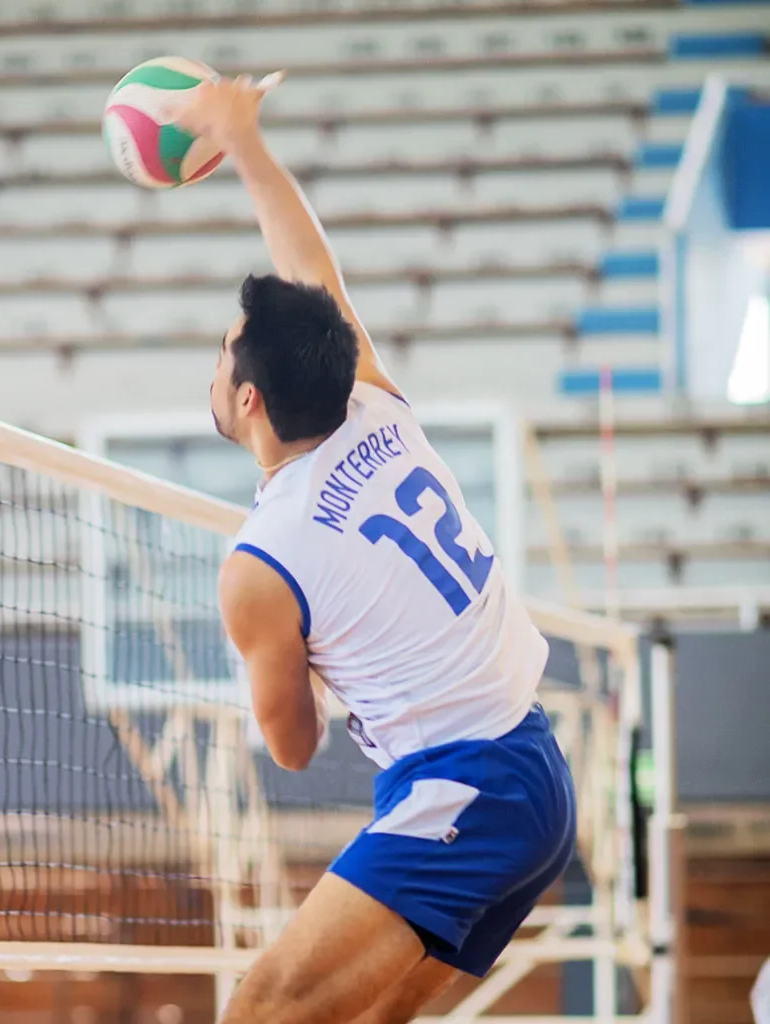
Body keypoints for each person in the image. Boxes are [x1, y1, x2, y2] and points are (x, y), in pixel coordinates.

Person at [175, 73, 577, 1024]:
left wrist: (304, 648)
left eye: (227, 349)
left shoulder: (258, 566)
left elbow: (294, 748)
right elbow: (308, 259)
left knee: (259, 1011)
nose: (222, 354)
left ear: (247, 402)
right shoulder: (371, 399)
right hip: (529, 771)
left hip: (468, 787)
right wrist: (242, 139)